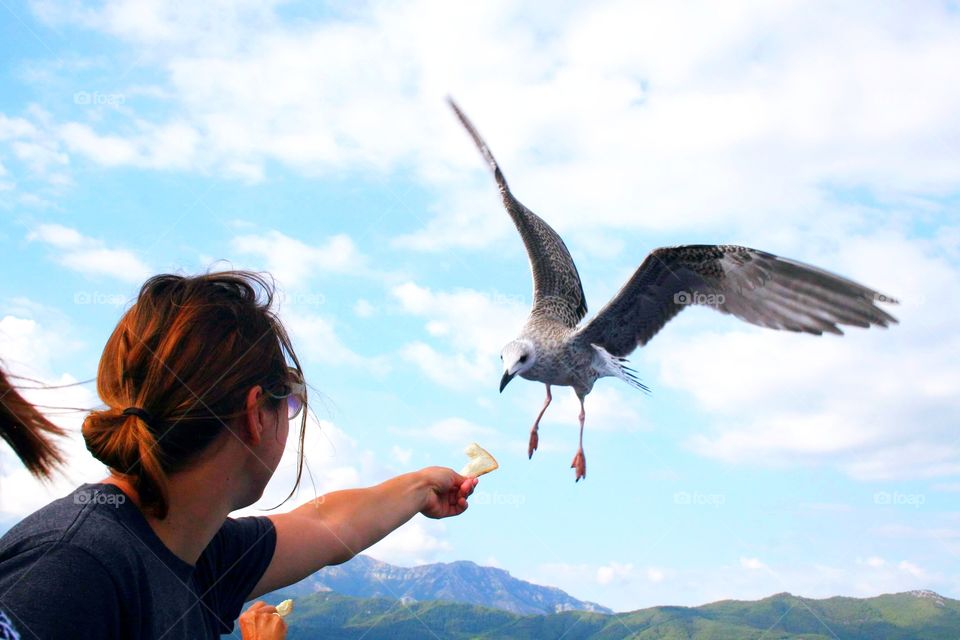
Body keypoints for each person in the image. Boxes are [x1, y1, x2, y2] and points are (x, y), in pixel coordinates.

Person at [0, 272, 477, 639]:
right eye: (288, 401)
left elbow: (326, 525)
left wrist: (420, 487)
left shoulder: (195, 553)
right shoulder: (70, 570)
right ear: (255, 413)